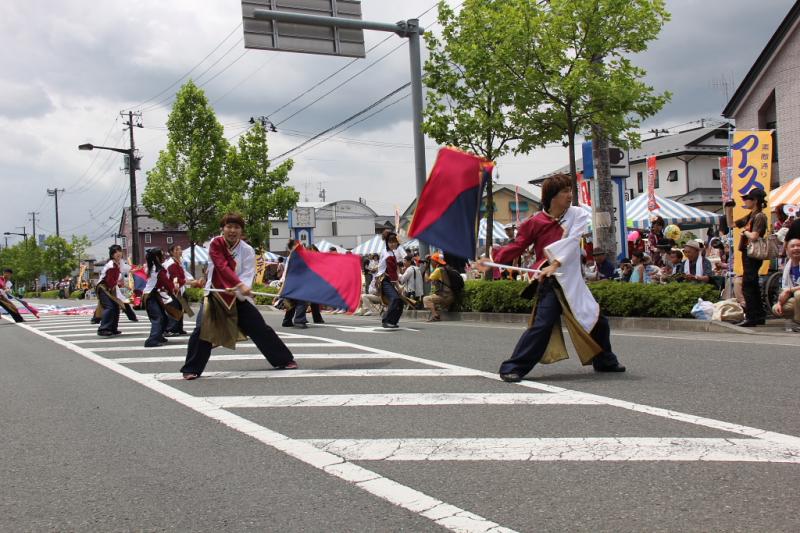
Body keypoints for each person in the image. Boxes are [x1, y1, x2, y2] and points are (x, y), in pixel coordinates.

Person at [479, 173, 625, 382]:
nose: (570, 195)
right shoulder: (534, 222)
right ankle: (513, 367)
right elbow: (517, 246)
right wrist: (490, 259)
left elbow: (573, 240)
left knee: (598, 320)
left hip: (572, 281)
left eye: (570, 190)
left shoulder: (577, 214)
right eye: (565, 191)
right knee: (543, 325)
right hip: (550, 281)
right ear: (552, 196)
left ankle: (605, 361)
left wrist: (556, 263)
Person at [180, 213, 297, 380]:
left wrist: (241, 287)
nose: (232, 230)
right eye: (229, 226)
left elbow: (248, 273)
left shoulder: (247, 250)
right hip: (215, 294)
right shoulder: (215, 243)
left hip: (237, 296)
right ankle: (191, 368)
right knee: (201, 330)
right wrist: (238, 284)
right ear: (222, 229)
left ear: (242, 231)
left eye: (237, 227)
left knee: (259, 328)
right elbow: (221, 266)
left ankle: (283, 359)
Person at [733, 187, 769, 327]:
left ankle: (752, 316)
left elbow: (754, 236)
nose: (745, 201)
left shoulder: (759, 216)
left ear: (754, 201)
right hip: (748, 253)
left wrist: (744, 232)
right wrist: (729, 209)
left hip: (753, 254)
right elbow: (732, 224)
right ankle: (758, 315)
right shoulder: (751, 215)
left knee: (748, 284)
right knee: (751, 284)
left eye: (747, 199)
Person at [93, 244, 137, 336]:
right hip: (104, 287)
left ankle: (113, 328)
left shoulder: (119, 262)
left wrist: (138, 269)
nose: (118, 253)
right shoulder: (111, 265)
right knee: (109, 307)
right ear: (112, 254)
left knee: (116, 307)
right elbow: (109, 281)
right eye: (115, 252)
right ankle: (103, 329)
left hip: (111, 287)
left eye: (119, 251)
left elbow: (127, 268)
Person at [163, 244, 204, 336]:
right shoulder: (171, 264)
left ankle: (179, 328)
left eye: (180, 249)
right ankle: (170, 329)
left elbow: (185, 274)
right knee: (175, 308)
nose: (180, 251)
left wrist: (194, 280)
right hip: (173, 289)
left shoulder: (179, 261)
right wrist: (193, 283)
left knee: (182, 307)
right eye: (177, 249)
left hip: (180, 288)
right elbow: (176, 279)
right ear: (171, 252)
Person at [142, 248, 177, 348]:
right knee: (158, 317)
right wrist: (173, 289)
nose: (164, 257)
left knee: (163, 317)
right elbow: (166, 283)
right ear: (157, 257)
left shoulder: (152, 267)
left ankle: (159, 336)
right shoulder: (158, 270)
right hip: (151, 296)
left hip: (153, 295)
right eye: (162, 255)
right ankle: (152, 340)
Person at [375, 230, 404, 329]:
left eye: (394, 242)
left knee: (399, 301)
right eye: (390, 242)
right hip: (384, 280)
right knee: (395, 299)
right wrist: (398, 286)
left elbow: (393, 272)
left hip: (387, 279)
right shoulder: (388, 255)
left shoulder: (390, 252)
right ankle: (386, 320)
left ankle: (393, 321)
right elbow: (391, 272)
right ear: (387, 243)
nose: (393, 244)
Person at [772, 237, 800, 332]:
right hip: (796, 297)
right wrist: (779, 303)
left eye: (798, 246)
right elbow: (786, 289)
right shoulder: (788, 266)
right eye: (793, 246)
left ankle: (798, 322)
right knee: (776, 308)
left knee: (798, 294)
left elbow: (790, 290)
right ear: (787, 250)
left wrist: (791, 290)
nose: (796, 248)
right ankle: (791, 321)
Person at [280, 239, 309, 329]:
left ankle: (287, 320)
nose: (301, 246)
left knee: (292, 301)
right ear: (294, 246)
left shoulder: (292, 255)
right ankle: (299, 320)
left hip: (291, 281)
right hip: (297, 281)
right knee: (302, 300)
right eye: (299, 245)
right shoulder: (297, 255)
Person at [423, 252, 456, 322]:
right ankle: (440, 312)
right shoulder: (446, 268)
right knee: (433, 299)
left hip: (444, 297)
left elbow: (427, 280)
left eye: (432, 261)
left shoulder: (438, 270)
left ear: (435, 261)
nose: (431, 263)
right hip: (451, 296)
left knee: (426, 299)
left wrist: (426, 268)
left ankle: (436, 316)